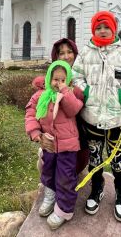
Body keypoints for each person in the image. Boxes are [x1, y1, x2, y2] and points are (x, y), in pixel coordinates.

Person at [72, 11, 121, 222]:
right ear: (93, 31)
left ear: (113, 29)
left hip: (115, 121)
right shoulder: (86, 53)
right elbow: (76, 74)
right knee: (95, 158)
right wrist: (85, 91)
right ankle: (97, 189)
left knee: (118, 160)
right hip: (92, 117)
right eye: (98, 27)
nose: (102, 30)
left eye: (106, 27)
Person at [25, 60, 83, 230]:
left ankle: (64, 209)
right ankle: (50, 194)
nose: (58, 83)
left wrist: (64, 92)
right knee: (48, 169)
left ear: (69, 80)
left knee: (66, 176)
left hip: (67, 146)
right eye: (55, 79)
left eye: (62, 79)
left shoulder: (71, 94)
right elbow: (30, 113)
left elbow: (73, 110)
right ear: (49, 78)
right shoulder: (40, 96)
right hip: (48, 143)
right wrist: (36, 133)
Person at [34, 38, 89, 174]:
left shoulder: (83, 78)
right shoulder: (50, 83)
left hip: (80, 136)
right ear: (56, 56)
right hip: (56, 137)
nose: (66, 57)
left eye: (69, 52)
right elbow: (37, 112)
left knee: (72, 171)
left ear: (76, 54)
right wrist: (39, 135)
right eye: (61, 53)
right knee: (51, 170)